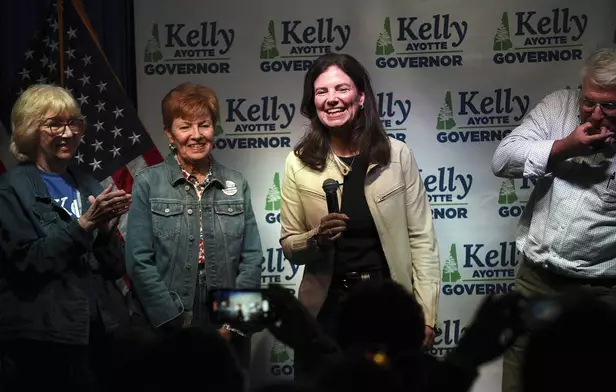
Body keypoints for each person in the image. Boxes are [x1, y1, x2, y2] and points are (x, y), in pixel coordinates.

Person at [491, 47, 616, 392]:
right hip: (538, 281)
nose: (596, 114)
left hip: (608, 292)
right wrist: (564, 147)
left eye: (610, 105)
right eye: (589, 101)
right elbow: (502, 160)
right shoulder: (559, 106)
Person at [279, 52, 441, 372]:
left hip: (388, 306)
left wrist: (427, 316)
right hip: (326, 313)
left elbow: (422, 240)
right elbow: (289, 245)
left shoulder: (397, 155)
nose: (332, 99)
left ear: (361, 97)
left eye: (342, 89)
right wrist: (316, 238)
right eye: (322, 92)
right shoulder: (297, 162)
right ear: (313, 103)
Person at [0, 84, 133, 392]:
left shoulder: (86, 182)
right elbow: (28, 262)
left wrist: (106, 232)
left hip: (97, 333)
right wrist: (85, 224)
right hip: (43, 342)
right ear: (30, 129)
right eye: (55, 123)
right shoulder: (10, 189)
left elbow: (114, 269)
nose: (69, 132)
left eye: (74, 122)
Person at [125, 82, 263, 368]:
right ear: (169, 134)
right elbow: (138, 260)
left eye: (204, 125)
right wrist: (174, 320)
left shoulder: (237, 182)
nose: (196, 135)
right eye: (185, 127)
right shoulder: (147, 182)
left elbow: (252, 258)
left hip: (225, 315)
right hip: (165, 319)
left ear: (215, 128)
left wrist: (232, 323)